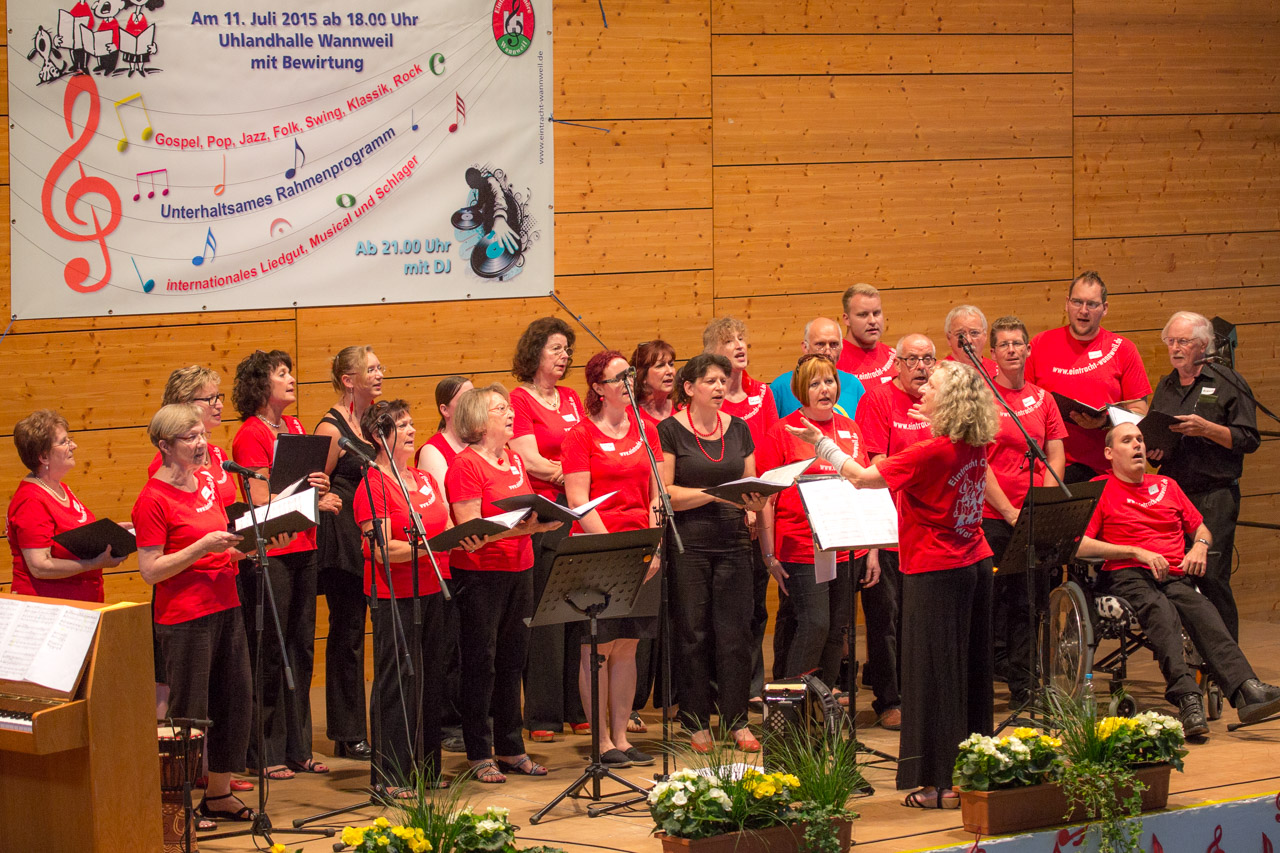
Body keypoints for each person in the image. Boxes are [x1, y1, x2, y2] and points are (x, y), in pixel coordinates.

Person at [788, 359, 998, 808]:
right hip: (975, 562)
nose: (922, 392)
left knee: (931, 676)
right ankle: (972, 769)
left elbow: (863, 477)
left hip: (936, 570)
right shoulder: (974, 441)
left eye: (931, 388)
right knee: (968, 673)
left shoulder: (930, 451)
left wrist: (820, 443)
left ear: (950, 402)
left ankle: (938, 785)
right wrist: (934, 419)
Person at [1077, 423, 1280, 737]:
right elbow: (1080, 544)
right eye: (1127, 440)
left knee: (1203, 610)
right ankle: (1187, 696)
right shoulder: (1099, 487)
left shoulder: (1166, 485)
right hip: (1128, 573)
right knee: (1161, 611)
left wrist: (1200, 546)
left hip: (1173, 573)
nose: (1137, 445)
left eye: (1140, 439)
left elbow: (1201, 528)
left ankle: (1246, 690)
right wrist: (1136, 551)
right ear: (1109, 453)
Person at [133, 404, 255, 826]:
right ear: (165, 446)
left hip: (226, 604)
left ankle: (218, 794)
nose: (202, 443)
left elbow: (219, 548)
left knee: (234, 700)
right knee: (189, 713)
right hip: (185, 617)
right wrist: (202, 546)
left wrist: (250, 546)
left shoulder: (205, 483)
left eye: (202, 434)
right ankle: (177, 804)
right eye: (190, 437)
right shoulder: (152, 498)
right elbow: (150, 569)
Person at [352, 399, 480, 793]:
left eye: (411, 423)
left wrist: (463, 539)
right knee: (397, 682)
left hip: (432, 589)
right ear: (380, 436)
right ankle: (390, 776)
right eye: (402, 425)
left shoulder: (423, 479)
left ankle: (426, 769)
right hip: (395, 595)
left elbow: (444, 526)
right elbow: (382, 549)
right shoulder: (372, 484)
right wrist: (432, 547)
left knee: (430, 681)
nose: (411, 431)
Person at [231, 349, 341, 780]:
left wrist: (320, 484)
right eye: (282, 373)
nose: (291, 378)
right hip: (271, 551)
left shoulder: (294, 426)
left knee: (301, 648)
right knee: (272, 652)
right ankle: (263, 750)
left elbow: (299, 483)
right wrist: (311, 498)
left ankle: (298, 747)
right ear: (262, 385)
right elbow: (260, 501)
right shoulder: (250, 434)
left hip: (303, 544)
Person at [446, 384, 562, 783]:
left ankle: (511, 747)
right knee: (482, 663)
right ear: (479, 421)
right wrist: (525, 529)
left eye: (509, 407)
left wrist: (544, 520)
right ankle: (479, 752)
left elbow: (525, 513)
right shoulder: (465, 465)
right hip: (480, 574)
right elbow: (470, 533)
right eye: (500, 409)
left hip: (520, 568)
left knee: (513, 660)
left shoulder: (513, 458)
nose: (510, 413)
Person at [658, 353, 767, 753]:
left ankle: (737, 720)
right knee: (693, 633)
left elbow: (750, 482)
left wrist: (757, 504)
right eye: (711, 381)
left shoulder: (739, 428)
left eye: (723, 380)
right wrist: (715, 494)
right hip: (689, 543)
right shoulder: (670, 430)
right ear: (689, 388)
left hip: (734, 541)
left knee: (735, 633)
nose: (720, 387)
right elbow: (666, 493)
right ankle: (696, 720)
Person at [561, 351, 663, 769]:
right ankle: (600, 740)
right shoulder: (580, 436)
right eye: (617, 377)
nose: (627, 383)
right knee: (598, 648)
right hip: (599, 552)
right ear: (598, 388)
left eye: (629, 375)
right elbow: (577, 501)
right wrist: (614, 551)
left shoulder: (647, 429)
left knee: (627, 646)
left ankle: (621, 736)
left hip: (643, 550)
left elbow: (657, 494)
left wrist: (654, 546)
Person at [759, 354, 876, 685]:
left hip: (847, 546)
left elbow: (866, 487)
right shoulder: (783, 431)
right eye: (814, 383)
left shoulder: (851, 429)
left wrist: (872, 550)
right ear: (800, 390)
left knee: (837, 630)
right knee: (815, 624)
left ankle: (822, 705)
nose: (825, 389)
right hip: (801, 548)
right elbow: (765, 498)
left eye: (829, 381)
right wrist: (769, 555)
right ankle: (790, 708)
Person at [1148, 312, 1259, 641]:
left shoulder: (1228, 382)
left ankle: (1227, 659)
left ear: (1203, 345)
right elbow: (1157, 438)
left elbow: (1248, 439)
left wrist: (1207, 428)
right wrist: (1154, 450)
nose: (1175, 348)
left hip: (1214, 494)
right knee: (1176, 576)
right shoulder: (1166, 385)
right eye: (1170, 341)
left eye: (1183, 341)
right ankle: (1190, 652)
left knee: (1210, 576)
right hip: (1173, 495)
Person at [849, 333, 940, 730]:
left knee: (923, 618)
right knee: (885, 618)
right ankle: (889, 700)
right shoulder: (879, 399)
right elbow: (877, 463)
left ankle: (922, 695)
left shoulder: (939, 401)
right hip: (891, 526)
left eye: (928, 359)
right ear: (897, 364)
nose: (921, 367)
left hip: (932, 528)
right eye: (912, 359)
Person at [980, 317, 1067, 704]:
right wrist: (1009, 511)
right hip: (992, 517)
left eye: (1018, 343)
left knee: (1027, 602)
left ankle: (1025, 685)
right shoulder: (984, 397)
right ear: (993, 353)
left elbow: (1055, 453)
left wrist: (1040, 510)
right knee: (990, 603)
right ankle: (980, 688)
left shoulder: (1043, 399)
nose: (1012, 350)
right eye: (1004, 344)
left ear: (1029, 349)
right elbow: (978, 461)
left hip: (1032, 518)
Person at [509, 318, 587, 744]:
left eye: (567, 350)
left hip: (575, 511)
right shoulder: (520, 399)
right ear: (534, 352)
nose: (564, 356)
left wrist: (576, 476)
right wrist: (570, 473)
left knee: (579, 610)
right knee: (546, 615)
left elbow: (587, 446)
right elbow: (528, 458)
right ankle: (542, 712)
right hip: (544, 515)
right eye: (555, 348)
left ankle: (577, 707)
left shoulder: (572, 397)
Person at [148, 366, 239, 727]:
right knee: (188, 704)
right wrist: (203, 547)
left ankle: (224, 760)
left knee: (230, 700)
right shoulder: (161, 480)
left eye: (219, 396)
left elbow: (219, 523)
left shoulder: (210, 466)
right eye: (209, 398)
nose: (218, 404)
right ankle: (183, 761)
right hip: (187, 598)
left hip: (224, 584)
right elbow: (155, 560)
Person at [312, 346, 384, 762]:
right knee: (348, 633)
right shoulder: (330, 426)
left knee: (370, 632)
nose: (379, 374)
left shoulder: (371, 420)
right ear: (348, 379)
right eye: (370, 369)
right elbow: (312, 484)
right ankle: (347, 731)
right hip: (342, 538)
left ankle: (376, 725)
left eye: (380, 368)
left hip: (371, 531)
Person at [703, 317, 778, 704]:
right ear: (711, 352)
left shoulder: (763, 394)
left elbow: (771, 456)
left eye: (742, 339)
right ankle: (712, 690)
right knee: (715, 611)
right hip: (716, 514)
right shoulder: (704, 400)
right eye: (729, 340)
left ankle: (749, 687)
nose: (739, 345)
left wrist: (758, 507)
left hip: (758, 510)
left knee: (753, 607)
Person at [1025, 272, 1151, 482]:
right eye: (1077, 302)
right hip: (1051, 469)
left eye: (1092, 304)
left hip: (1107, 470)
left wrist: (1105, 421)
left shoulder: (1123, 349)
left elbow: (1139, 414)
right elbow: (1022, 403)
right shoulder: (1040, 344)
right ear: (1067, 304)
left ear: (1105, 308)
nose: (1083, 310)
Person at [413, 374, 474, 752]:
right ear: (445, 409)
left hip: (476, 553)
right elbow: (442, 507)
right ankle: (448, 721)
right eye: (464, 399)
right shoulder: (434, 450)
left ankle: (471, 717)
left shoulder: (477, 443)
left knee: (470, 646)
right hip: (449, 557)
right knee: (448, 648)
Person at [8, 409, 126, 602]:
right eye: (64, 442)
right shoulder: (31, 500)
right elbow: (40, 566)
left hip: (80, 602)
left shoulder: (60, 488)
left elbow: (73, 537)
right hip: (48, 606)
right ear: (44, 457)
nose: (74, 446)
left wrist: (110, 534)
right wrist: (92, 564)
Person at [770, 318, 865, 419]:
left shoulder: (854, 385)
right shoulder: (780, 387)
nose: (828, 352)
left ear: (841, 347)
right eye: (820, 344)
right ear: (805, 347)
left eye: (834, 344)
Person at [414, 376, 475, 501]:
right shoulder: (432, 452)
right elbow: (446, 504)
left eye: (474, 398)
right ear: (445, 410)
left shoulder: (482, 438)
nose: (474, 405)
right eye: (465, 400)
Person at [837, 283, 897, 390]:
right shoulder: (833, 360)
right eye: (863, 315)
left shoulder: (895, 358)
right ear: (847, 319)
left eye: (876, 313)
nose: (872, 321)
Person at [631, 339, 678, 429]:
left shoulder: (682, 408)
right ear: (642, 375)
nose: (670, 371)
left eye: (671, 364)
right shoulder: (630, 414)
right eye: (660, 366)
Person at [943, 305, 998, 377]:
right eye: (960, 334)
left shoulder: (997, 372)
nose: (968, 340)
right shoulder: (938, 373)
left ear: (985, 336)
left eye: (974, 333)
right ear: (949, 338)